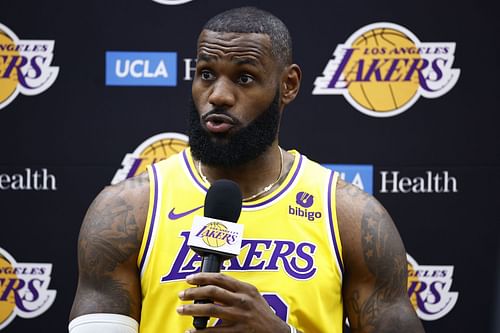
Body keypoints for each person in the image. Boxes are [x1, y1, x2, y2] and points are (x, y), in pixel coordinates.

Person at [69, 6, 425, 333]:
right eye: (206, 74)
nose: (219, 95)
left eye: (244, 78)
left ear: (289, 85)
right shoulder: (126, 211)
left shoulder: (350, 216)